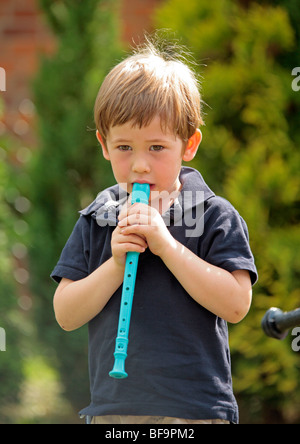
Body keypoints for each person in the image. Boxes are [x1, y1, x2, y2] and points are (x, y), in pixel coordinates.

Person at [51, 37, 258, 425]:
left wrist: (165, 245)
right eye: (125, 147)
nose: (140, 165)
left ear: (189, 144)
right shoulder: (98, 217)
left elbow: (235, 304)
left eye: (158, 148)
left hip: (195, 412)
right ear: (104, 145)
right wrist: (114, 265)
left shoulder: (215, 215)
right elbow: (66, 314)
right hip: (116, 412)